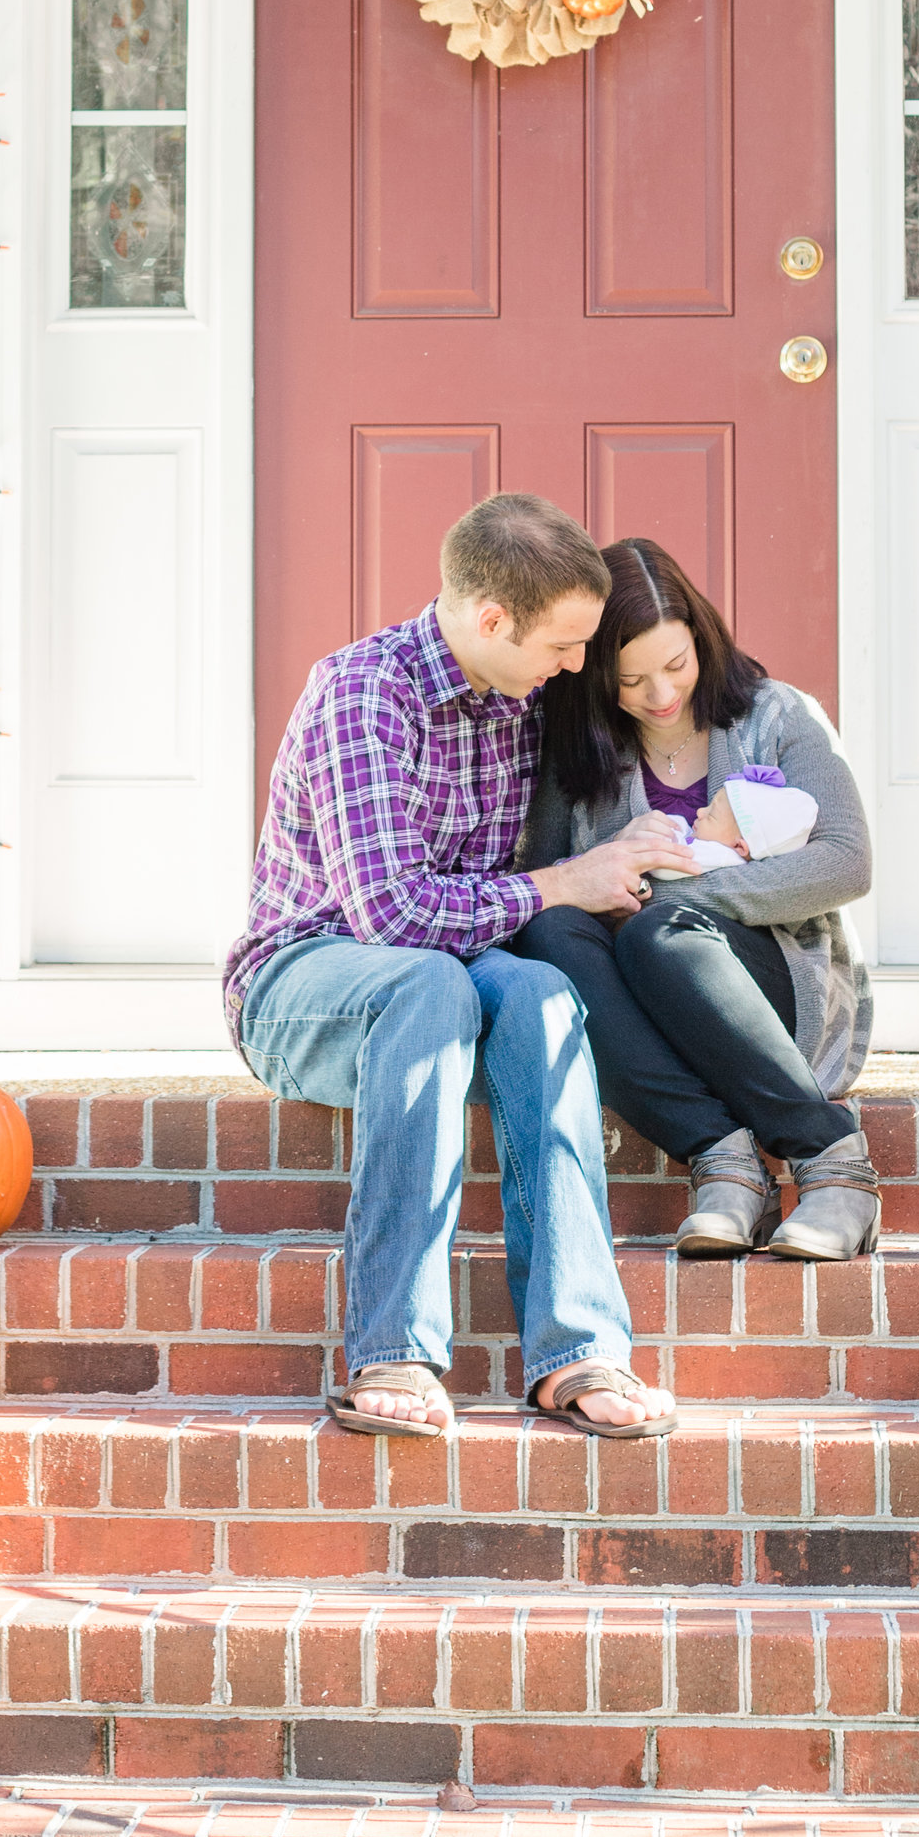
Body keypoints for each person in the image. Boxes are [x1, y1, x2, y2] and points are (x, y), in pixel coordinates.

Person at [225, 494, 678, 1444]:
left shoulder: (517, 699)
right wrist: (564, 883)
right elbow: (390, 916)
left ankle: (579, 1348)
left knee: (547, 993)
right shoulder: (362, 693)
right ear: (490, 621)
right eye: (562, 645)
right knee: (429, 979)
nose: (575, 667)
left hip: (454, 978)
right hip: (304, 983)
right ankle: (393, 1347)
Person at [511, 538, 879, 1261]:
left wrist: (682, 893)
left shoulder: (778, 717)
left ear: (702, 638)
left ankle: (834, 1166)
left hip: (765, 985)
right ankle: (725, 1162)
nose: (660, 695)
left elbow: (847, 861)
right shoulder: (579, 742)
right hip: (635, 1006)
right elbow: (545, 875)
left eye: (676, 666)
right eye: (631, 679)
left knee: (662, 931)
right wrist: (606, 869)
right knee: (549, 935)